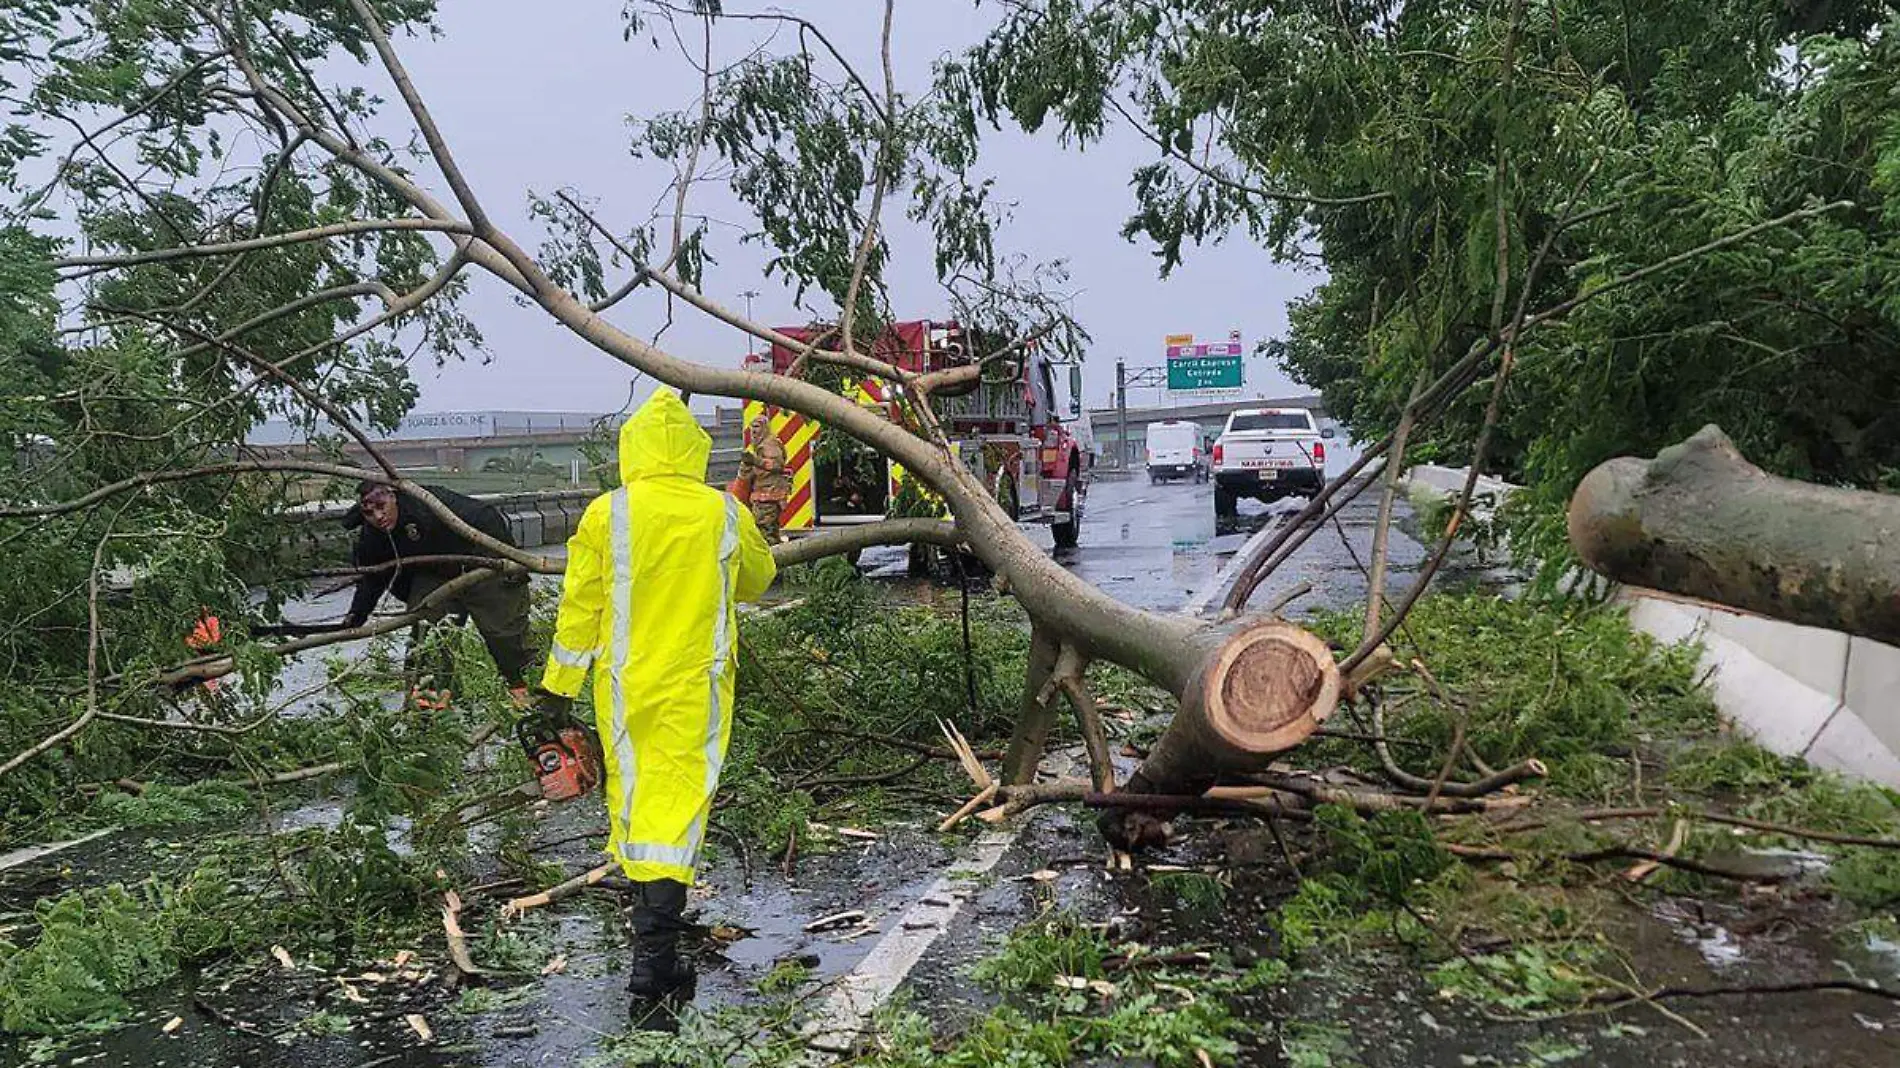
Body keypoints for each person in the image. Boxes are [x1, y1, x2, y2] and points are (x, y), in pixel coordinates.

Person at [532, 388, 776, 1023]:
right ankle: (654, 958)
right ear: (693, 451)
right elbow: (758, 580)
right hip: (697, 686)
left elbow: (579, 609)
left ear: (631, 449)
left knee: (638, 805)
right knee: (680, 807)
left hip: (624, 689)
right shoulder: (722, 514)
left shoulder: (606, 514)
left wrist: (556, 691)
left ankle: (653, 953)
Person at [340, 480, 534, 708]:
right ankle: (428, 701)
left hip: (480, 564)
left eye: (382, 506)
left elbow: (486, 516)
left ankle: (524, 689)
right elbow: (373, 579)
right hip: (434, 575)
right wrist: (356, 617)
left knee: (504, 633)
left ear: (393, 496)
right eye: (370, 513)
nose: (379, 516)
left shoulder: (427, 502)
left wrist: (506, 562)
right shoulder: (372, 535)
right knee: (427, 635)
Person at [738, 412, 790, 541]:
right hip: (762, 495)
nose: (753, 431)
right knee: (765, 531)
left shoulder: (769, 444)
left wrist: (756, 461)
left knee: (765, 532)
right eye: (752, 427)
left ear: (764, 428)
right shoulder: (760, 445)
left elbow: (777, 464)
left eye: (757, 427)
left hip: (769, 495)